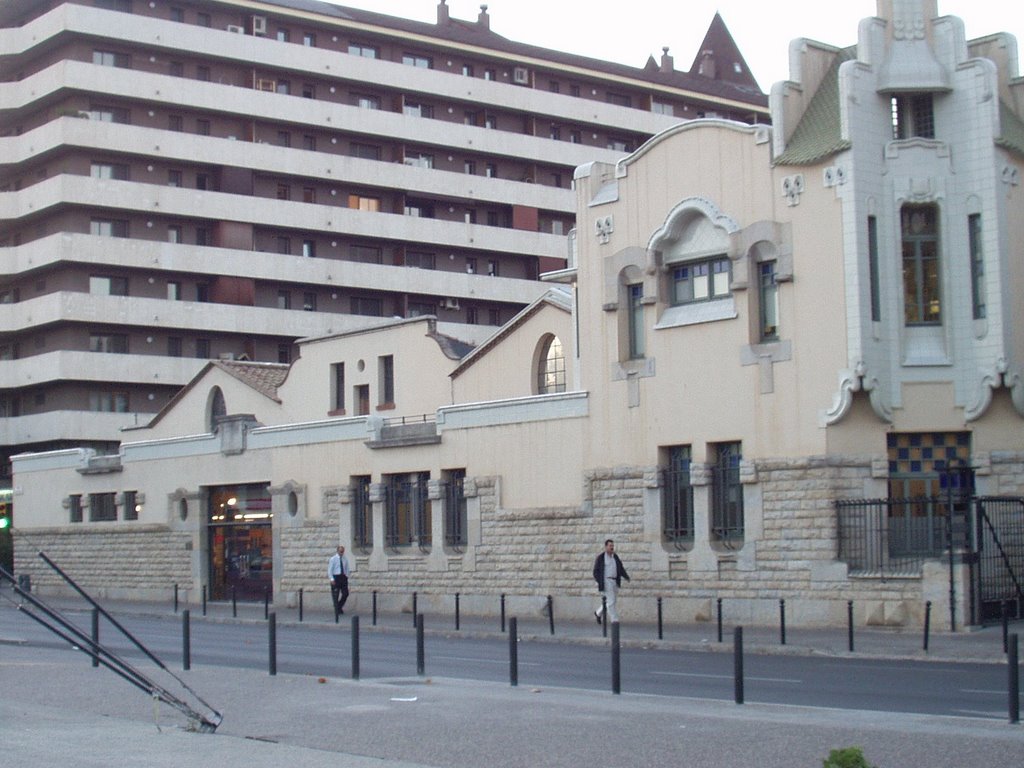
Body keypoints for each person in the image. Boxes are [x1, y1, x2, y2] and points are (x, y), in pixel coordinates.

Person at [592, 539, 629, 624]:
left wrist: (626, 576)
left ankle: (598, 613)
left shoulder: (615, 557)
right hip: (606, 581)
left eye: (612, 546)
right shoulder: (601, 558)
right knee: (611, 601)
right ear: (606, 547)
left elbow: (620, 567)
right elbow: (595, 571)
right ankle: (614, 620)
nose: (612, 547)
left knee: (611, 601)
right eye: (610, 546)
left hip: (614, 581)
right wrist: (600, 581)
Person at [327, 545, 350, 614]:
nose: (341, 553)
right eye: (340, 551)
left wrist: (347, 576)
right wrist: (331, 579)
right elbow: (330, 570)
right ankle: (337, 610)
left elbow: (347, 568)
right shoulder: (333, 559)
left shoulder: (345, 559)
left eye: (342, 551)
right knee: (335, 594)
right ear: (337, 551)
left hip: (343, 577)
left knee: (345, 593)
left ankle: (339, 606)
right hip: (336, 577)